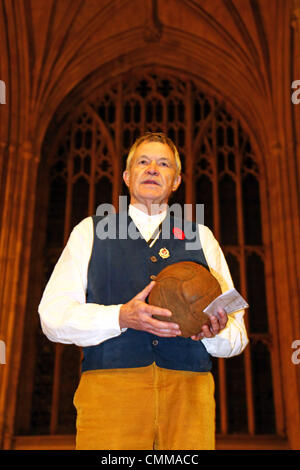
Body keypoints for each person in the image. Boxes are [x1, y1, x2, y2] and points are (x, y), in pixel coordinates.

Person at [38, 132, 248, 450]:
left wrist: (213, 332)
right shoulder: (89, 231)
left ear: (176, 180)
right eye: (143, 162)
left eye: (163, 164)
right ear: (127, 175)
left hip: (189, 397)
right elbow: (51, 317)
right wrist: (120, 317)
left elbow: (238, 335)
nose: (152, 168)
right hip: (110, 395)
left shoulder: (201, 236)